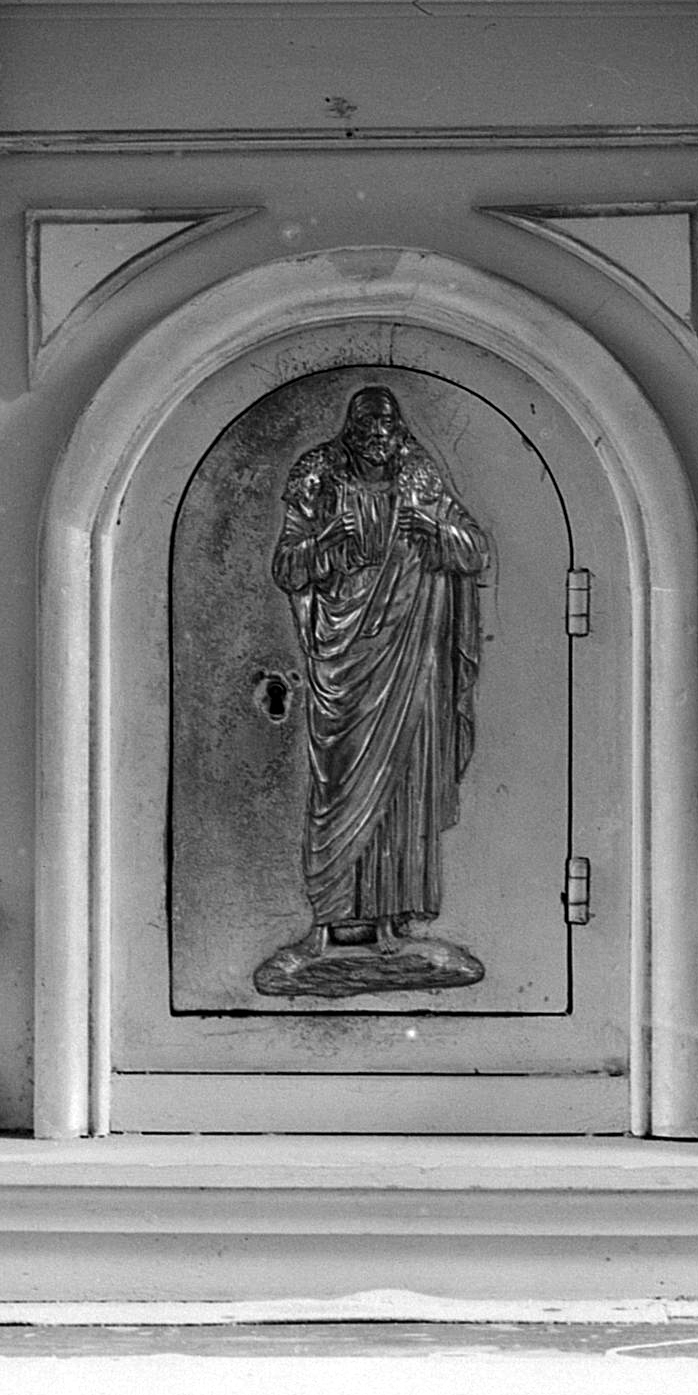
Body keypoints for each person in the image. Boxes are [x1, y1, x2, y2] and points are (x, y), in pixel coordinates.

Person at [257, 384, 490, 993]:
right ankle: (325, 924)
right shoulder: (316, 477)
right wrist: (326, 543)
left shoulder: (420, 476)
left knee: (401, 784)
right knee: (336, 785)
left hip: (409, 656)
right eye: (366, 429)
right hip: (342, 658)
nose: (377, 439)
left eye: (386, 429)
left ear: (398, 431)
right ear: (350, 432)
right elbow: (287, 566)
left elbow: (474, 552)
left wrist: (433, 529)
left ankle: (390, 922)